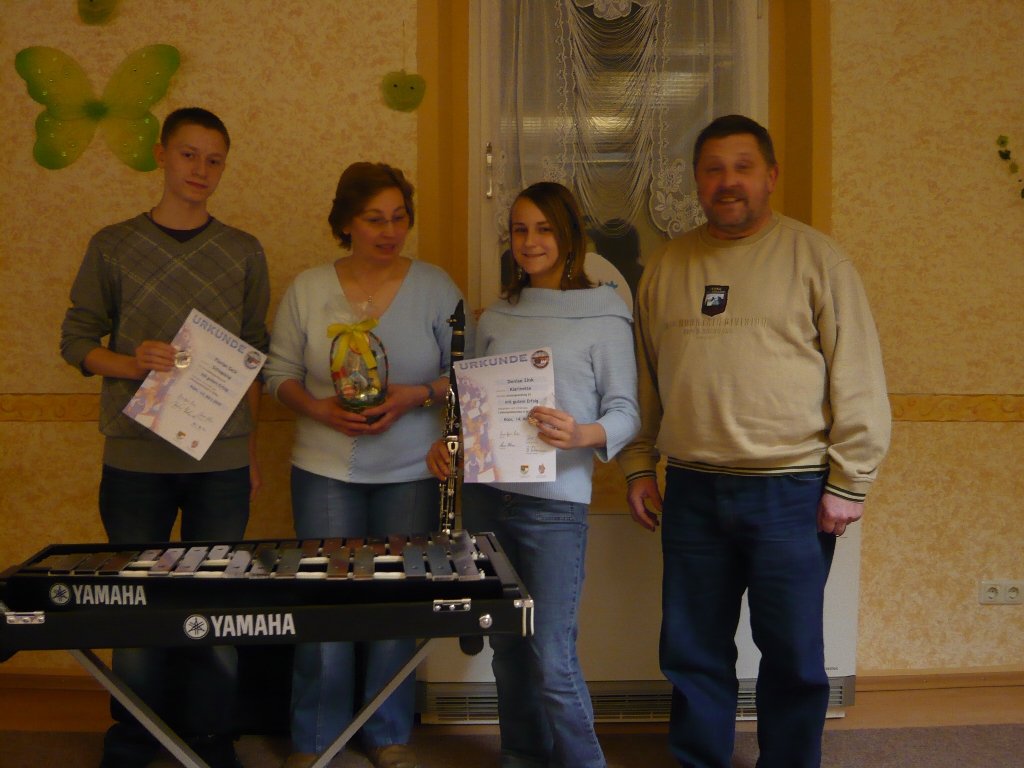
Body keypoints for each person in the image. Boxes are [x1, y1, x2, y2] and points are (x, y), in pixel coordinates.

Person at [617, 115, 891, 768]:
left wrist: (850, 481)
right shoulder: (667, 266)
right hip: (692, 489)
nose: (728, 181)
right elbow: (644, 379)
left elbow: (858, 376)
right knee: (691, 649)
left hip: (791, 491)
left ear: (770, 176)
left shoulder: (817, 259)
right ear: (696, 181)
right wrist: (638, 465)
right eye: (713, 169)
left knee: (792, 652)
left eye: (743, 167)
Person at [60, 107, 270, 768]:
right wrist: (131, 363)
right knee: (138, 604)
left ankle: (211, 736)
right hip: (135, 460)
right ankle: (134, 734)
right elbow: (75, 341)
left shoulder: (243, 250)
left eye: (214, 159)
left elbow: (253, 358)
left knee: (216, 600)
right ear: (160, 155)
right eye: (188, 154)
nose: (200, 170)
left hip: (221, 460)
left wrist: (250, 453)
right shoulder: (113, 245)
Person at [428, 181, 640, 768]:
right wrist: (449, 447)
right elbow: (476, 407)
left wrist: (582, 434)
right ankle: (522, 758)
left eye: (544, 229)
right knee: (508, 650)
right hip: (488, 499)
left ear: (570, 235)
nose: (530, 241)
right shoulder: (498, 314)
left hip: (554, 507)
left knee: (551, 657)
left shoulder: (605, 313)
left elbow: (627, 413)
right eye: (520, 230)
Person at [263, 162, 466, 768]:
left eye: (399, 218)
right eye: (375, 219)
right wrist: (318, 409)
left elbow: (465, 373)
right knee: (324, 600)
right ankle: (315, 737)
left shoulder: (437, 288)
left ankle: (388, 734)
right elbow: (279, 374)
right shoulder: (308, 289)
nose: (389, 231)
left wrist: (415, 396)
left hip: (411, 472)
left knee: (395, 601)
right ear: (346, 222)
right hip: (324, 469)